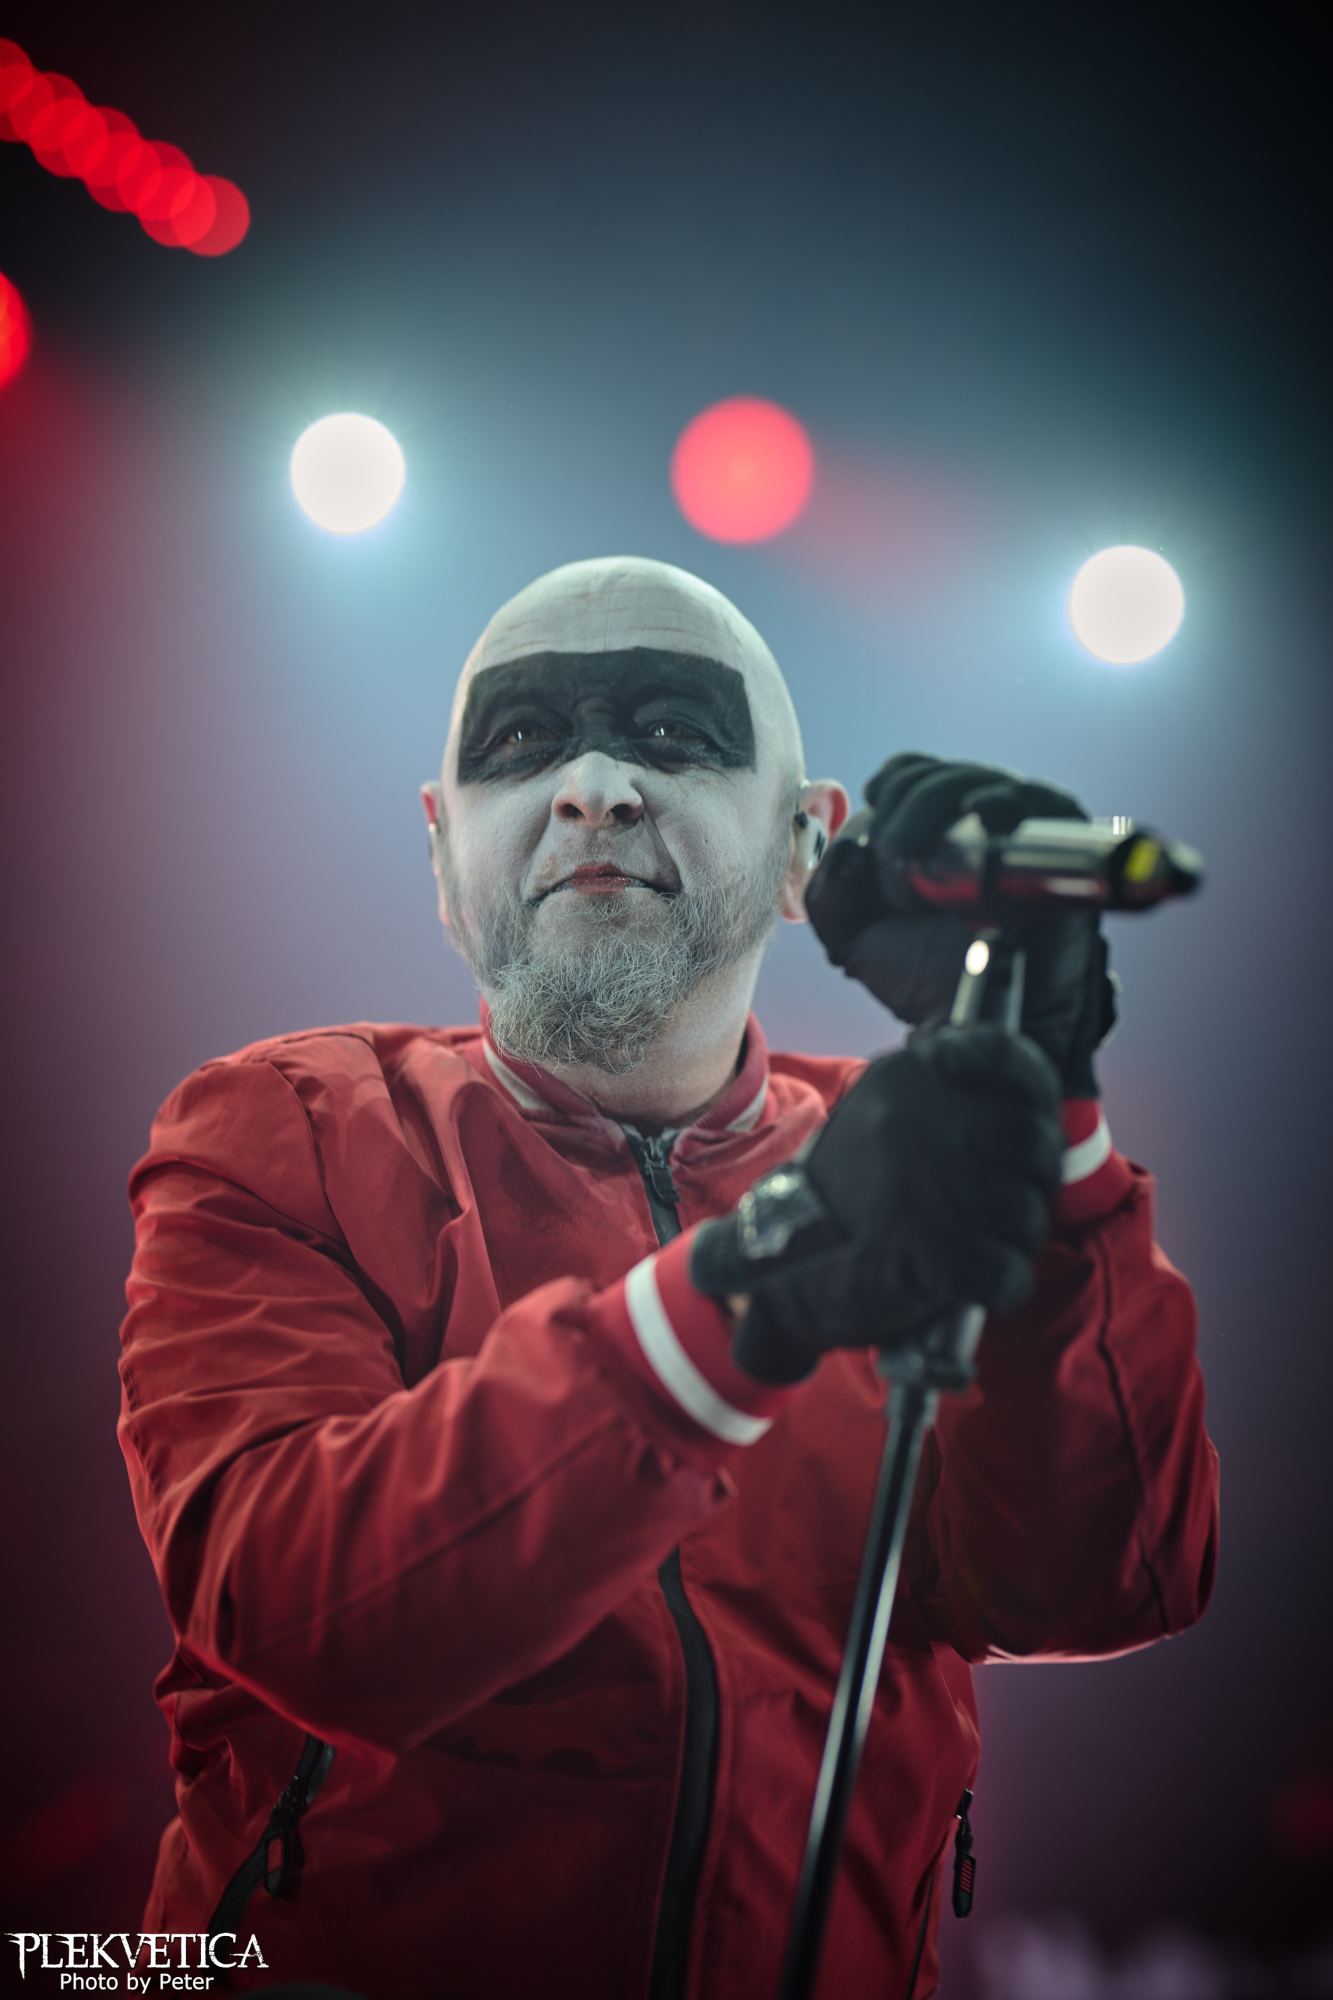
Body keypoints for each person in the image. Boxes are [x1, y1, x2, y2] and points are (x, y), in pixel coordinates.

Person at [117, 555, 1219, 2000]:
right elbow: (292, 1603)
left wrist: (1049, 1097)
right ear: (442, 855)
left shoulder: (905, 1167)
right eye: (523, 740)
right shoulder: (287, 1133)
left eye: (672, 731)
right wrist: (764, 1282)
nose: (593, 788)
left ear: (804, 848)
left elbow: (1110, 1579)